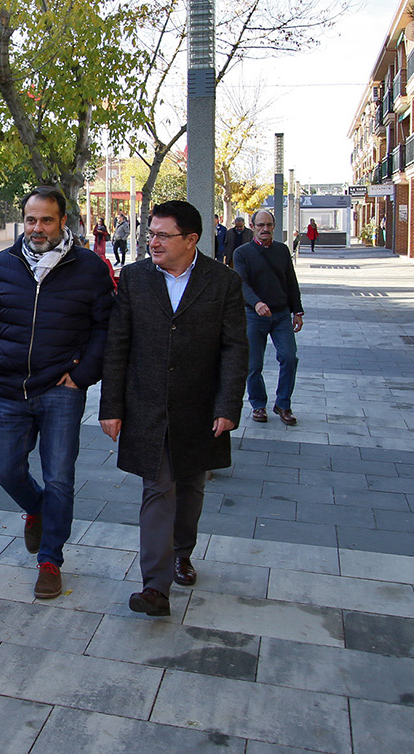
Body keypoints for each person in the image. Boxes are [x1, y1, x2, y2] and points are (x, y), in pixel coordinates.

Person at [99, 201, 247, 617]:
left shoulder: (223, 283)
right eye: (151, 234)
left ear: (191, 239)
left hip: (199, 406)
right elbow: (118, 345)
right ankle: (155, 586)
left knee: (191, 486)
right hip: (147, 403)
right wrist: (111, 406)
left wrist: (228, 405)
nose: (153, 241)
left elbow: (235, 349)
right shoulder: (134, 278)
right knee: (157, 487)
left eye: (163, 235)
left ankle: (183, 550)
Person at [0, 186, 113, 599]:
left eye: (46, 220)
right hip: (11, 386)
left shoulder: (89, 267)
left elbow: (105, 328)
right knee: (5, 469)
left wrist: (83, 375)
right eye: (31, 219)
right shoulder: (5, 263)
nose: (37, 228)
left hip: (61, 389)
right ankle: (36, 509)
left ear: (63, 221)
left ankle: (50, 560)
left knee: (59, 478)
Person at [234, 210, 305, 426]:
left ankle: (283, 404)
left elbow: (291, 282)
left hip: (281, 314)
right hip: (253, 316)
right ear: (253, 226)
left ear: (274, 226)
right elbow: (242, 284)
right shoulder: (242, 253)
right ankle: (258, 404)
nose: (265, 229)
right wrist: (257, 303)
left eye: (269, 225)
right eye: (260, 225)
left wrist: (298, 311)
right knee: (253, 364)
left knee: (289, 357)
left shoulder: (282, 251)